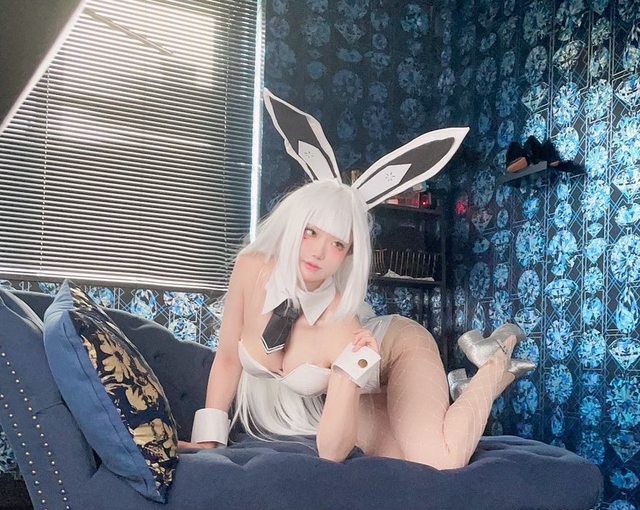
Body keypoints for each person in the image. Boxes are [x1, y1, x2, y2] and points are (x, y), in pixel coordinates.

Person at [178, 90, 534, 469]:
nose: (318, 253)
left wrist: (346, 375)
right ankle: (459, 390)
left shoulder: (341, 325)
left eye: (337, 244)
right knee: (400, 461)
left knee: (437, 461)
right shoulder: (251, 268)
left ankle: (493, 364)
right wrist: (209, 439)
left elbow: (332, 454)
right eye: (311, 232)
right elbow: (228, 358)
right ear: (293, 224)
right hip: (363, 387)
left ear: (348, 255)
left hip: (397, 351)